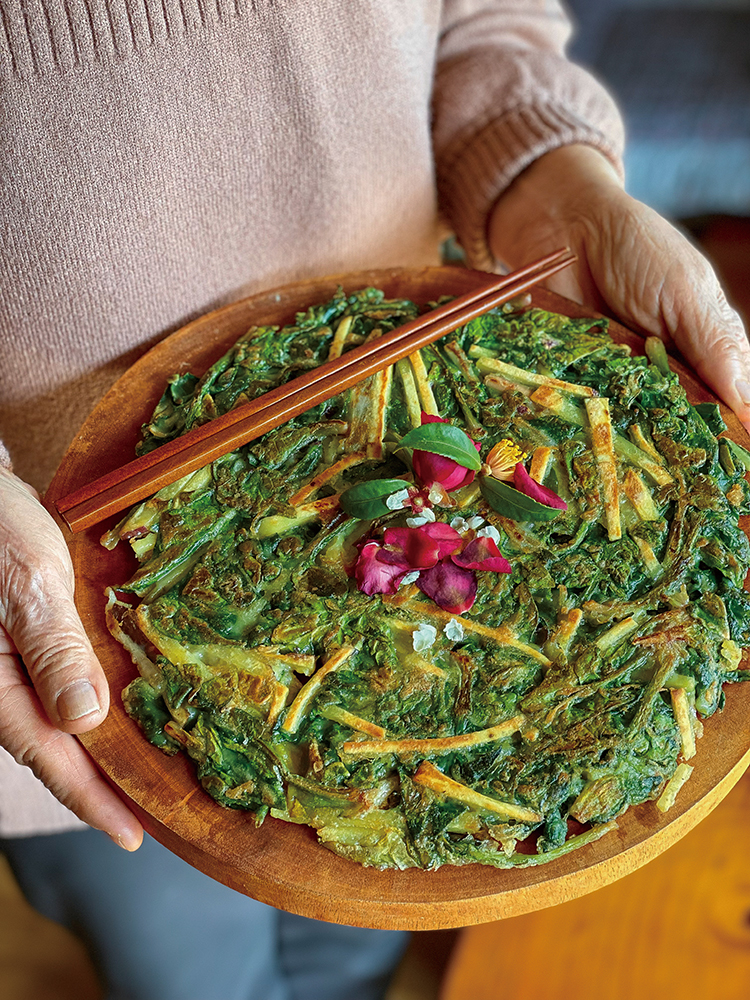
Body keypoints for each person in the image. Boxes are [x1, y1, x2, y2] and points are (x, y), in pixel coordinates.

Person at [1, 2, 749, 998]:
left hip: (419, 340)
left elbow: (482, 23)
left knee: (352, 957)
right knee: (184, 966)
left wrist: (553, 183)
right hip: (44, 645)